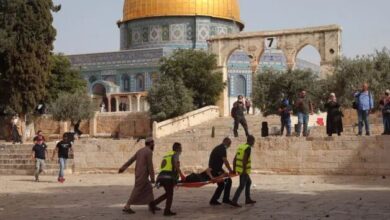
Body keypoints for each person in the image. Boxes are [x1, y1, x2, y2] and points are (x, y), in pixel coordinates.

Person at [119, 138, 158, 214]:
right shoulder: (149, 152)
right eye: (153, 143)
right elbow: (150, 166)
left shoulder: (140, 151)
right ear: (150, 143)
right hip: (143, 174)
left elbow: (131, 160)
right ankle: (127, 206)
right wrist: (152, 178)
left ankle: (152, 205)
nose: (154, 145)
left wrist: (123, 168)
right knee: (137, 190)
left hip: (138, 173)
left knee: (149, 189)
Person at [152, 143, 185, 216]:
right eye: (180, 148)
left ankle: (153, 204)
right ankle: (167, 211)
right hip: (168, 177)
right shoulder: (175, 154)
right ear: (177, 149)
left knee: (168, 194)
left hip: (161, 177)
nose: (181, 149)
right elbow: (176, 166)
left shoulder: (167, 154)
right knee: (170, 194)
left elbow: (166, 166)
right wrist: (182, 175)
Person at [230, 135, 256, 207]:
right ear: (251, 141)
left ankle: (247, 199)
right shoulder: (248, 148)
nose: (254, 143)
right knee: (241, 185)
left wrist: (234, 169)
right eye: (253, 141)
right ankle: (234, 200)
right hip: (243, 170)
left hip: (239, 169)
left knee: (249, 182)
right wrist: (244, 170)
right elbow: (244, 160)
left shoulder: (241, 147)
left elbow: (235, 159)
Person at [208, 137, 234, 206]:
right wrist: (230, 170)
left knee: (222, 184)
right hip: (215, 170)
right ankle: (224, 199)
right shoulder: (222, 149)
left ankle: (214, 200)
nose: (229, 145)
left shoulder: (219, 148)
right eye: (229, 144)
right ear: (225, 142)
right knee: (227, 181)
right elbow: (225, 161)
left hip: (215, 169)